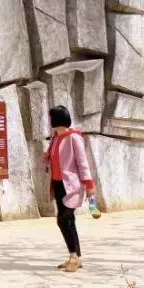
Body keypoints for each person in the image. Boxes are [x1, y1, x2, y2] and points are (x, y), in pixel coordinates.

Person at [44, 105, 96, 273]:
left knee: (62, 220)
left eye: (51, 117)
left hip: (71, 186)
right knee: (69, 221)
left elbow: (82, 162)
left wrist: (89, 184)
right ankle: (74, 257)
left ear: (57, 119)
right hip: (58, 184)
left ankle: (74, 257)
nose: (49, 120)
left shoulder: (74, 137)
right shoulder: (55, 137)